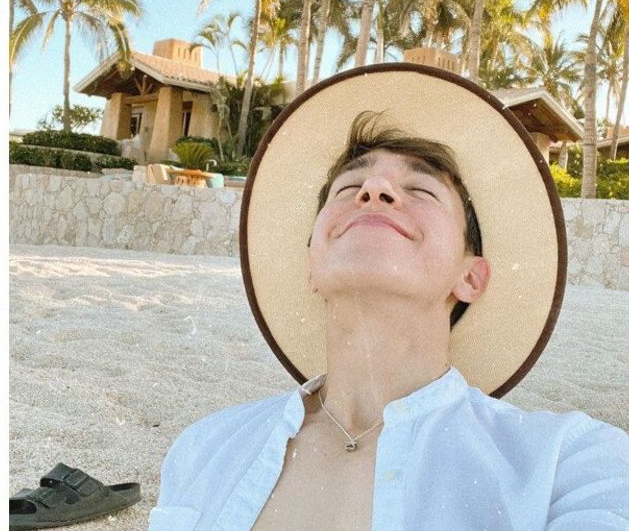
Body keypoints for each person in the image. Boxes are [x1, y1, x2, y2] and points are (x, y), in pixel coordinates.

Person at [150, 65, 629, 530]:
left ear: (471, 277)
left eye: (421, 188)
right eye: (350, 186)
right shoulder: (202, 450)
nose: (375, 189)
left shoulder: (568, 464)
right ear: (311, 268)